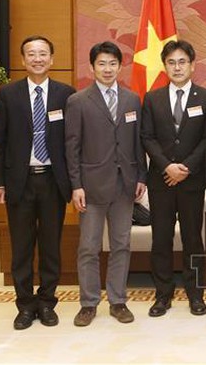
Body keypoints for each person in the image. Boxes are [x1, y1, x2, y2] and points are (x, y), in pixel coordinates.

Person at [0, 35, 75, 330]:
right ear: (23, 60)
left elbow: (72, 142)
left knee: (51, 246)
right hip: (19, 181)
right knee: (22, 247)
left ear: (52, 59)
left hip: (53, 181)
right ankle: (25, 305)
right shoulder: (8, 94)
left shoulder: (66, 94)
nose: (37, 59)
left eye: (43, 54)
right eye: (31, 54)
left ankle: (47, 302)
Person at [65, 41, 147, 327]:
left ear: (120, 66)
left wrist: (141, 176)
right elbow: (72, 147)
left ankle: (118, 301)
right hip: (91, 187)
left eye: (113, 63)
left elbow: (137, 142)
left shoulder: (131, 100)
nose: (107, 69)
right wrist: (76, 185)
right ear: (92, 67)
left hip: (125, 185)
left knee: (121, 245)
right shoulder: (78, 101)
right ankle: (88, 304)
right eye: (102, 63)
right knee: (89, 247)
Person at [141, 40, 206, 318]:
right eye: (171, 62)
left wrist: (186, 167)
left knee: (193, 238)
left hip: (192, 181)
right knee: (161, 239)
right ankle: (163, 295)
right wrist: (167, 166)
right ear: (165, 66)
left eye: (182, 62)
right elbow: (147, 137)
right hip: (161, 180)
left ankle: (196, 295)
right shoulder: (152, 98)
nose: (177, 67)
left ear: (192, 65)